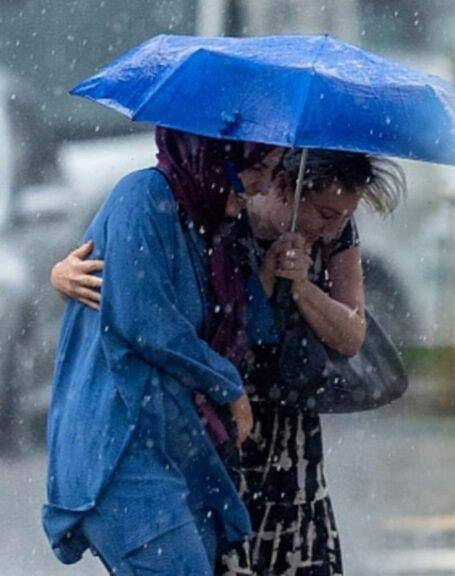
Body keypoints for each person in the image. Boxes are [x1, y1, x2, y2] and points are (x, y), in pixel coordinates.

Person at [53, 147, 405, 576]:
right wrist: (61, 275)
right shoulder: (216, 210)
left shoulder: (331, 236)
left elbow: (351, 335)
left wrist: (301, 289)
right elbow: (150, 301)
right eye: (326, 213)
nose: (332, 229)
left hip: (283, 419)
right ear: (285, 188)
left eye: (343, 218)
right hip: (216, 418)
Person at [43, 126, 283, 576]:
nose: (264, 187)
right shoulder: (143, 196)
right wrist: (227, 385)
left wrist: (278, 270)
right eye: (257, 168)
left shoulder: (210, 224)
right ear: (216, 156)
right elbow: (145, 321)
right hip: (119, 450)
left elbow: (242, 325)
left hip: (174, 447)